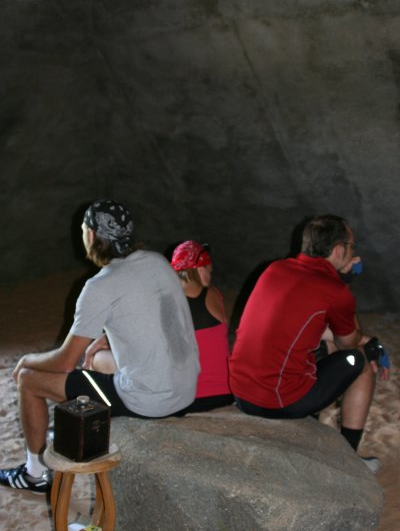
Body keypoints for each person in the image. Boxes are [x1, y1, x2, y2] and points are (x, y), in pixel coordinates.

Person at [0, 200, 199, 494]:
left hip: (150, 401)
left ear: (91, 235)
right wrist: (107, 336)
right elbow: (158, 314)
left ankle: (35, 474)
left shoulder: (100, 285)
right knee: (94, 360)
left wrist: (26, 359)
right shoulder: (157, 262)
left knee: (29, 379)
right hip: (186, 388)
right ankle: (83, 426)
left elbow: (65, 361)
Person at [229, 214, 390, 471]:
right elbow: (349, 343)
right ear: (339, 251)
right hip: (276, 400)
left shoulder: (275, 269)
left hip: (241, 392)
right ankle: (349, 462)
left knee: (327, 347)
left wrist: (364, 338)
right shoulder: (334, 290)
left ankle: (314, 428)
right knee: (362, 361)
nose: (353, 252)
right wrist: (344, 284)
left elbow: (307, 327)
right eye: (352, 246)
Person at [170, 240, 233, 412]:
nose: (211, 276)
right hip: (224, 393)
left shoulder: (165, 301)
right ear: (199, 269)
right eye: (209, 271)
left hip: (184, 399)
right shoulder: (213, 294)